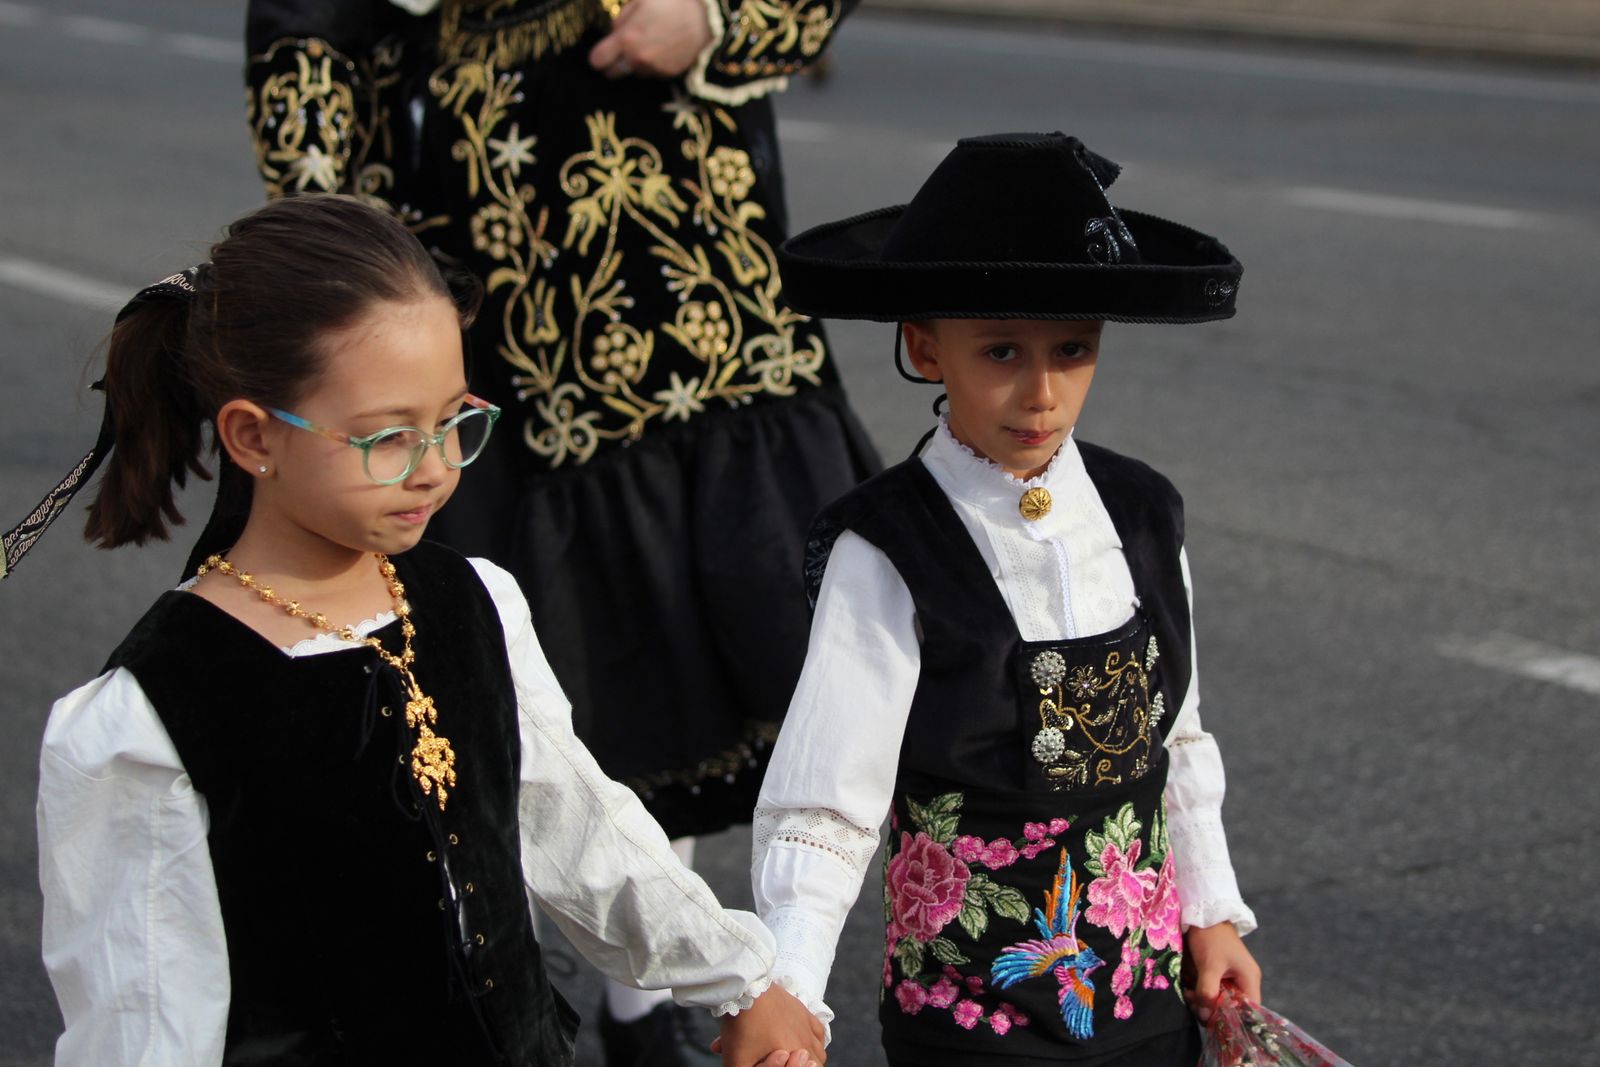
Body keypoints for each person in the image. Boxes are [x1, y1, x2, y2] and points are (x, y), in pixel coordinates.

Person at [30, 194, 825, 1067]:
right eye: (387, 438)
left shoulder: (471, 597)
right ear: (254, 436)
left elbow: (575, 821)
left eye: (452, 420)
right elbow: (142, 1024)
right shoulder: (150, 719)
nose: (437, 465)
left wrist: (738, 978)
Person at [238, 6, 881, 1055]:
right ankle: (651, 1003)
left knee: (830, 681)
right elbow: (312, 52)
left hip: (710, 284)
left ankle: (780, 981)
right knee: (591, 677)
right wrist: (359, 285)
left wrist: (711, 19)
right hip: (513, 289)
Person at [750, 133, 1263, 1066]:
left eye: (1073, 348)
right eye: (1001, 350)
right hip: (969, 1016)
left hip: (1144, 1000)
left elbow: (1177, 738)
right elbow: (827, 801)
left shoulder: (1143, 513)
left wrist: (1212, 912)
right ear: (924, 345)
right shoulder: (888, 544)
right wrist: (790, 982)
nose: (1042, 392)